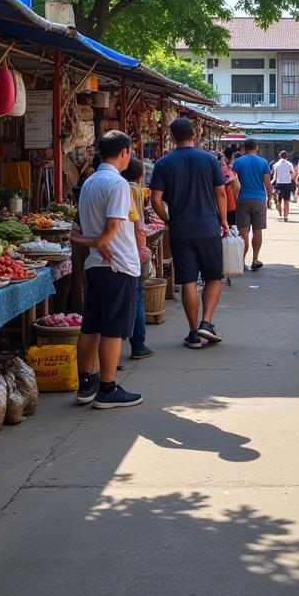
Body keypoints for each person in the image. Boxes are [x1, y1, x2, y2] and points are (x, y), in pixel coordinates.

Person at [70, 130, 143, 409]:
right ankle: (107, 389)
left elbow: (80, 226)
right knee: (112, 329)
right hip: (117, 265)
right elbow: (111, 228)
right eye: (130, 152)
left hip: (95, 265)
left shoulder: (89, 182)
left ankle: (85, 383)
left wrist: (90, 243)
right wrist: (97, 242)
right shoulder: (118, 184)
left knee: (91, 326)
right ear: (124, 152)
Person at [150, 117, 229, 348]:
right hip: (208, 227)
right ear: (194, 134)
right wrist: (223, 220)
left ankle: (193, 333)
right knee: (213, 277)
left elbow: (155, 200)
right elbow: (221, 193)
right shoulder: (209, 159)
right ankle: (207, 323)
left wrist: (168, 219)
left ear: (172, 137)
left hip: (180, 229)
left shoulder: (164, 163)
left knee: (188, 280)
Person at [121, 157, 154, 361]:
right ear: (140, 176)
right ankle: (139, 344)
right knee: (137, 297)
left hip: (119, 250)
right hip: (131, 249)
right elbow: (138, 223)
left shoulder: (119, 186)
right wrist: (142, 249)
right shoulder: (133, 190)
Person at [232, 138, 273, 270]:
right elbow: (267, 183)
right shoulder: (263, 162)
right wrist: (270, 198)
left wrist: (235, 197)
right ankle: (255, 259)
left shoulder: (238, 162)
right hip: (259, 199)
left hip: (243, 199)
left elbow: (234, 182)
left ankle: (241, 262)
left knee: (243, 231)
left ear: (244, 148)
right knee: (257, 230)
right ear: (256, 147)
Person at [271, 151, 295, 222]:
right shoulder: (290, 164)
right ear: (287, 156)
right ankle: (285, 216)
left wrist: (271, 182)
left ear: (279, 156)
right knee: (286, 201)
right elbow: (293, 174)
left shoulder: (276, 164)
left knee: (278, 200)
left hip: (279, 184)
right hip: (287, 184)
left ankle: (280, 213)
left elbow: (274, 176)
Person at [218, 153, 240, 228]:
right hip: (229, 206)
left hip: (221, 206)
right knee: (231, 230)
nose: (223, 167)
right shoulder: (231, 174)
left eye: (223, 165)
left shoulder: (215, 174)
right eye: (222, 165)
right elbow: (237, 188)